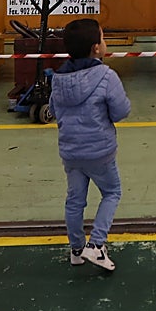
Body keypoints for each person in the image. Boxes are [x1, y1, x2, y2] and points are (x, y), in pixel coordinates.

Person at [50, 18, 131, 272]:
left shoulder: (58, 78)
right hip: (100, 152)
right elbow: (120, 111)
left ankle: (76, 249)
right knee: (112, 192)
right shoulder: (106, 76)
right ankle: (96, 245)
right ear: (96, 48)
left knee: (75, 201)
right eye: (103, 38)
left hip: (71, 152)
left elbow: (54, 110)